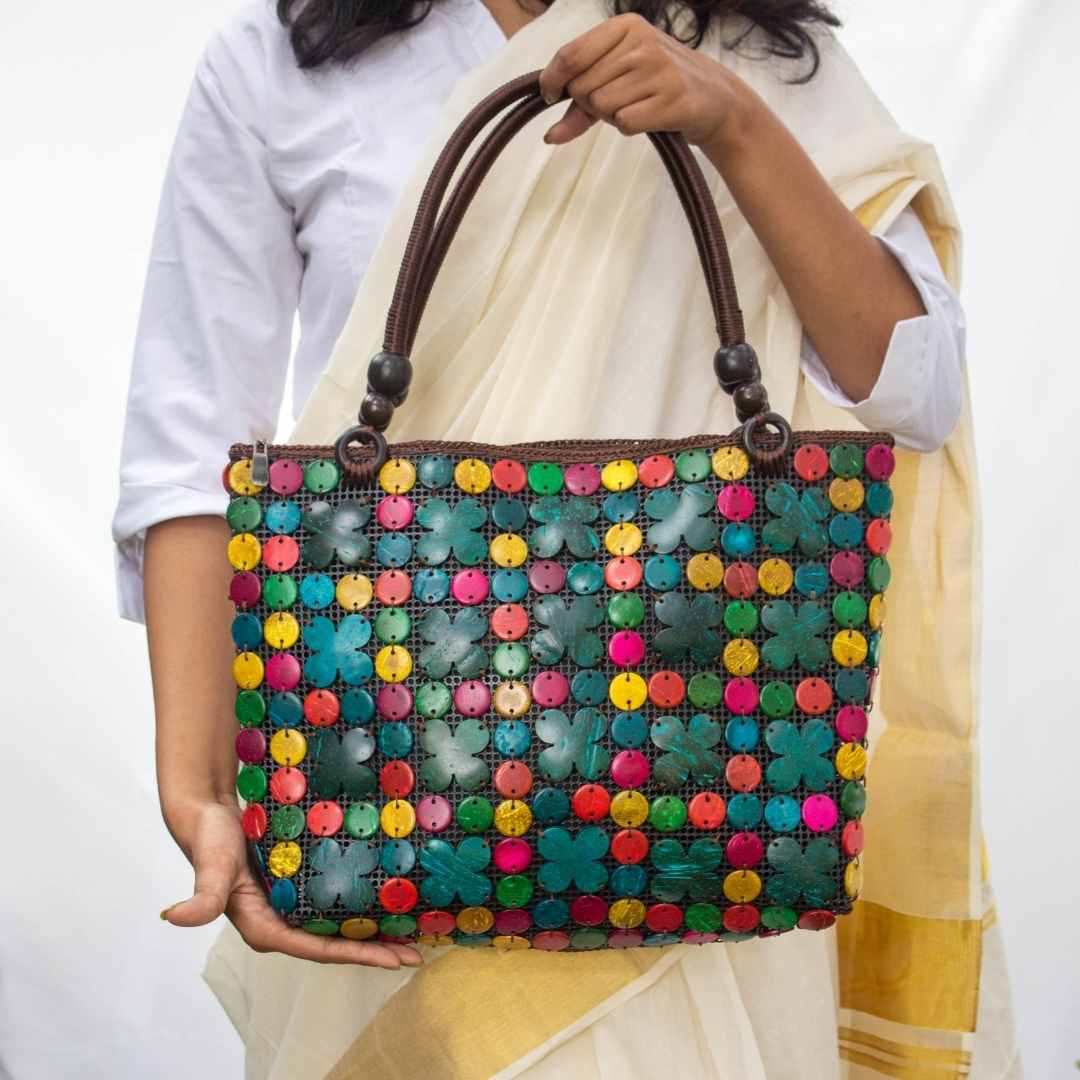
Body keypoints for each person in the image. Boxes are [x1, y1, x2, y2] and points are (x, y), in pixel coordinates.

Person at [113, 0, 1016, 1076]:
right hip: (382, 773)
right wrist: (198, 792)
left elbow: (915, 390)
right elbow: (192, 448)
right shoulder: (282, 61)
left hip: (705, 775)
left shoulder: (766, 58)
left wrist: (732, 122)